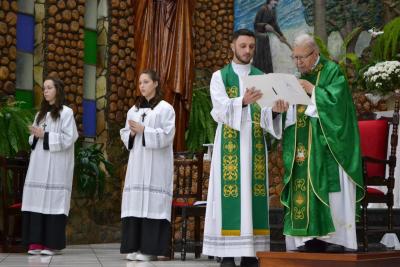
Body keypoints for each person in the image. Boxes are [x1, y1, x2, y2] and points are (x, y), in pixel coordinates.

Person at [264, 34, 364, 252]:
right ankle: (306, 239)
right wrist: (279, 109)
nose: (298, 63)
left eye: (302, 58)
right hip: (302, 150)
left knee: (330, 191)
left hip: (327, 149)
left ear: (315, 54)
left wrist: (313, 90)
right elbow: (292, 115)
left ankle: (335, 240)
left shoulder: (332, 72)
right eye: (295, 58)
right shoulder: (295, 78)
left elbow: (339, 108)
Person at [203, 29, 270, 267]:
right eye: (243, 46)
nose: (247, 51)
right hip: (230, 144)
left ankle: (252, 254)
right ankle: (228, 255)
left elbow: (268, 114)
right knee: (230, 195)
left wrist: (276, 111)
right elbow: (219, 110)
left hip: (254, 146)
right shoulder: (220, 77)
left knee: (253, 193)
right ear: (232, 46)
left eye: (251, 46)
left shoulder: (262, 76)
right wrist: (242, 101)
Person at [120, 70, 175, 261]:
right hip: (137, 164)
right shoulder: (133, 110)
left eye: (146, 82)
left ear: (156, 84)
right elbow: (125, 134)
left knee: (153, 205)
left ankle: (150, 250)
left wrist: (145, 130)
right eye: (140, 82)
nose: (142, 86)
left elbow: (168, 135)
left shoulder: (165, 109)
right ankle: (133, 246)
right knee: (135, 203)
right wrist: (133, 134)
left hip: (156, 166)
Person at [22, 77, 78, 255]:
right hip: (39, 164)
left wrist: (45, 135)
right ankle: (36, 242)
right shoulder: (40, 114)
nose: (45, 91)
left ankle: (51, 244)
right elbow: (32, 138)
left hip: (56, 166)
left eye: (49, 88)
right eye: (44, 88)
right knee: (37, 200)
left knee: (53, 202)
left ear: (57, 90)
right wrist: (35, 134)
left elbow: (70, 138)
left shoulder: (66, 112)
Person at [253, 0, 287, 74]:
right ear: (270, 1)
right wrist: (264, 25)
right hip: (259, 37)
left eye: (277, 1)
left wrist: (281, 35)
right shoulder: (262, 9)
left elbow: (274, 24)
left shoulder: (273, 11)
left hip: (266, 38)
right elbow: (256, 25)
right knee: (260, 59)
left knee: (267, 58)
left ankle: (268, 73)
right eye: (275, 1)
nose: (276, 3)